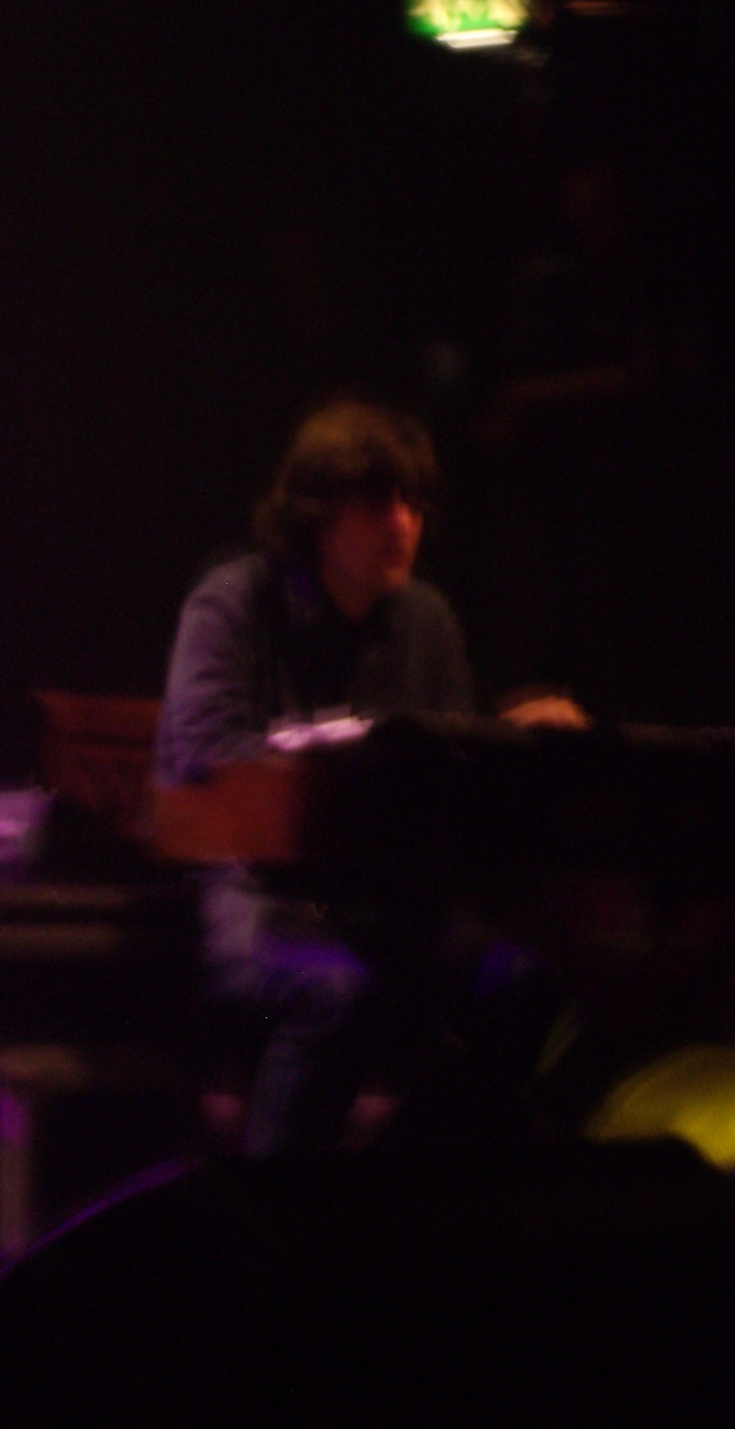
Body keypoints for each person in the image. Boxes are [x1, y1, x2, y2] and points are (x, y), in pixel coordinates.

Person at [157, 401, 490, 1157]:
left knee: (519, 988)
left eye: (412, 503)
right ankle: (274, 1226)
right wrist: (343, 760)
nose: (402, 525)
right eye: (377, 503)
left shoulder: (428, 620)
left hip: (378, 896)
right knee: (339, 994)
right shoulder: (235, 601)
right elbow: (207, 752)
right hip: (251, 889)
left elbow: (460, 764)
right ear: (316, 514)